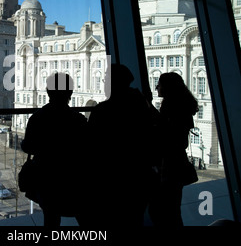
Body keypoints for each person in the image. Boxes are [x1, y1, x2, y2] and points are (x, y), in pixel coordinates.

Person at [80, 64, 155, 226]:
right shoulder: (142, 106)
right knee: (135, 218)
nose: (103, 80)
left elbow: (91, 144)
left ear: (113, 82)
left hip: (112, 178)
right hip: (139, 175)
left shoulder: (103, 110)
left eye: (106, 78)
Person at [21, 73, 87, 227]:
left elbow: (28, 146)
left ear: (48, 91)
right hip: (73, 178)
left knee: (50, 219)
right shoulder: (78, 120)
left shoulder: (37, 118)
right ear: (70, 93)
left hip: (46, 178)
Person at [148, 72, 199, 227]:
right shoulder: (180, 106)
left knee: (162, 210)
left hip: (169, 164)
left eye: (159, 84)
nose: (157, 87)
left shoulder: (171, 107)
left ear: (168, 87)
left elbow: (166, 132)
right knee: (171, 210)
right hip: (175, 163)